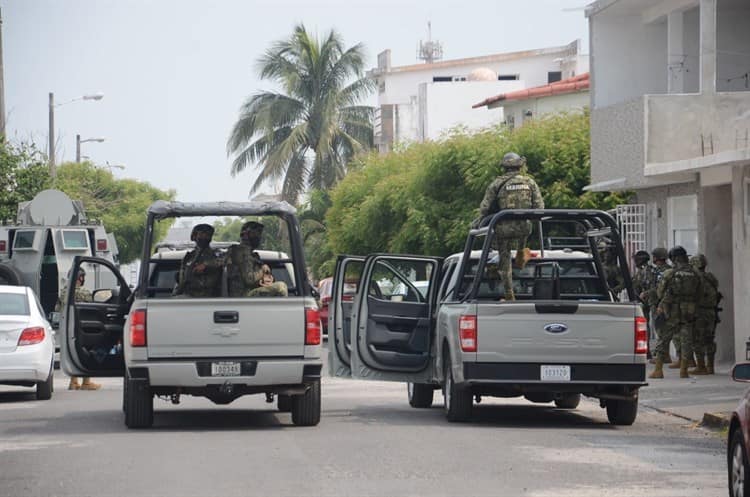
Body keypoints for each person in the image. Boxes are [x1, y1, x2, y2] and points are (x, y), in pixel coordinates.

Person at [477, 152, 544, 300]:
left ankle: (509, 296)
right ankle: (521, 253)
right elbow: (540, 207)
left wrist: (480, 220)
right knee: (523, 233)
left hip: (503, 227)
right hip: (524, 227)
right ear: (520, 166)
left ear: (504, 167)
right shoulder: (530, 182)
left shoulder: (496, 183)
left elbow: (484, 208)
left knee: (504, 260)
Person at [650, 246, 702, 379]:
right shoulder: (695, 273)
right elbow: (700, 294)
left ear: (674, 259)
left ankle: (658, 370)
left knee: (664, 339)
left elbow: (660, 292)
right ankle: (684, 370)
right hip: (689, 311)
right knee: (686, 339)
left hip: (671, 311)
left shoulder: (670, 273)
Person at [55, 267, 101, 391]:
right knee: (88, 353)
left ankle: (74, 382)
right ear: (79, 278)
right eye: (82, 277)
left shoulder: (63, 292)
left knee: (73, 353)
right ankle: (86, 382)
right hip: (82, 327)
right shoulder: (83, 292)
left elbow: (57, 309)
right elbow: (93, 305)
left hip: (68, 327)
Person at [226, 221, 288, 297]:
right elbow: (249, 279)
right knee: (280, 287)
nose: (259, 237)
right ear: (246, 234)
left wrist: (268, 280)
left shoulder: (253, 255)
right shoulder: (240, 252)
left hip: (251, 292)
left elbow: (259, 275)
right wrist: (262, 270)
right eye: (256, 233)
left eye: (259, 234)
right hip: (242, 296)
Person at [690, 254, 721, 375]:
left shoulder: (695, 279)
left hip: (699, 312)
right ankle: (710, 366)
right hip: (712, 312)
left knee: (697, 340)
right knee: (709, 339)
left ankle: (701, 366)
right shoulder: (711, 278)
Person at [173, 224, 222, 298]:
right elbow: (182, 279)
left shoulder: (215, 254)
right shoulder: (189, 256)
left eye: (207, 235)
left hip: (208, 297)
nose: (204, 237)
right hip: (188, 296)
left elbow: (223, 259)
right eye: (201, 234)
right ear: (194, 236)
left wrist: (205, 265)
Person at [642, 247, 672, 364]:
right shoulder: (661, 270)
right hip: (659, 302)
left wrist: (647, 293)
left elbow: (659, 287)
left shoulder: (662, 271)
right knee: (662, 329)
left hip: (660, 303)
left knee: (661, 329)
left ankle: (663, 355)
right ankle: (666, 355)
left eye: (654, 256)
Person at [631, 250, 652, 355]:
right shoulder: (641, 271)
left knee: (643, 326)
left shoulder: (646, 272)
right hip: (639, 301)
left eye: (636, 260)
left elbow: (646, 286)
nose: (635, 262)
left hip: (643, 302)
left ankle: (646, 350)